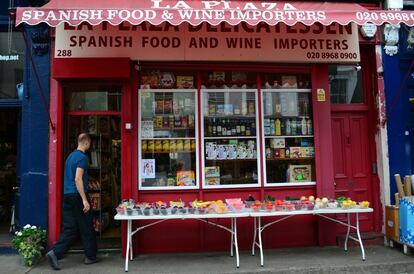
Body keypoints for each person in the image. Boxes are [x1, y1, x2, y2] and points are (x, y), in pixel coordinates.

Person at [46, 133, 99, 270]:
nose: (90, 146)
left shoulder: (70, 157)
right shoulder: (82, 158)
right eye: (90, 143)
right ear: (86, 143)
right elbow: (78, 179)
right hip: (77, 195)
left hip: (67, 195)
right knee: (87, 226)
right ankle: (90, 256)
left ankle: (55, 253)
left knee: (70, 228)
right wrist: (84, 200)